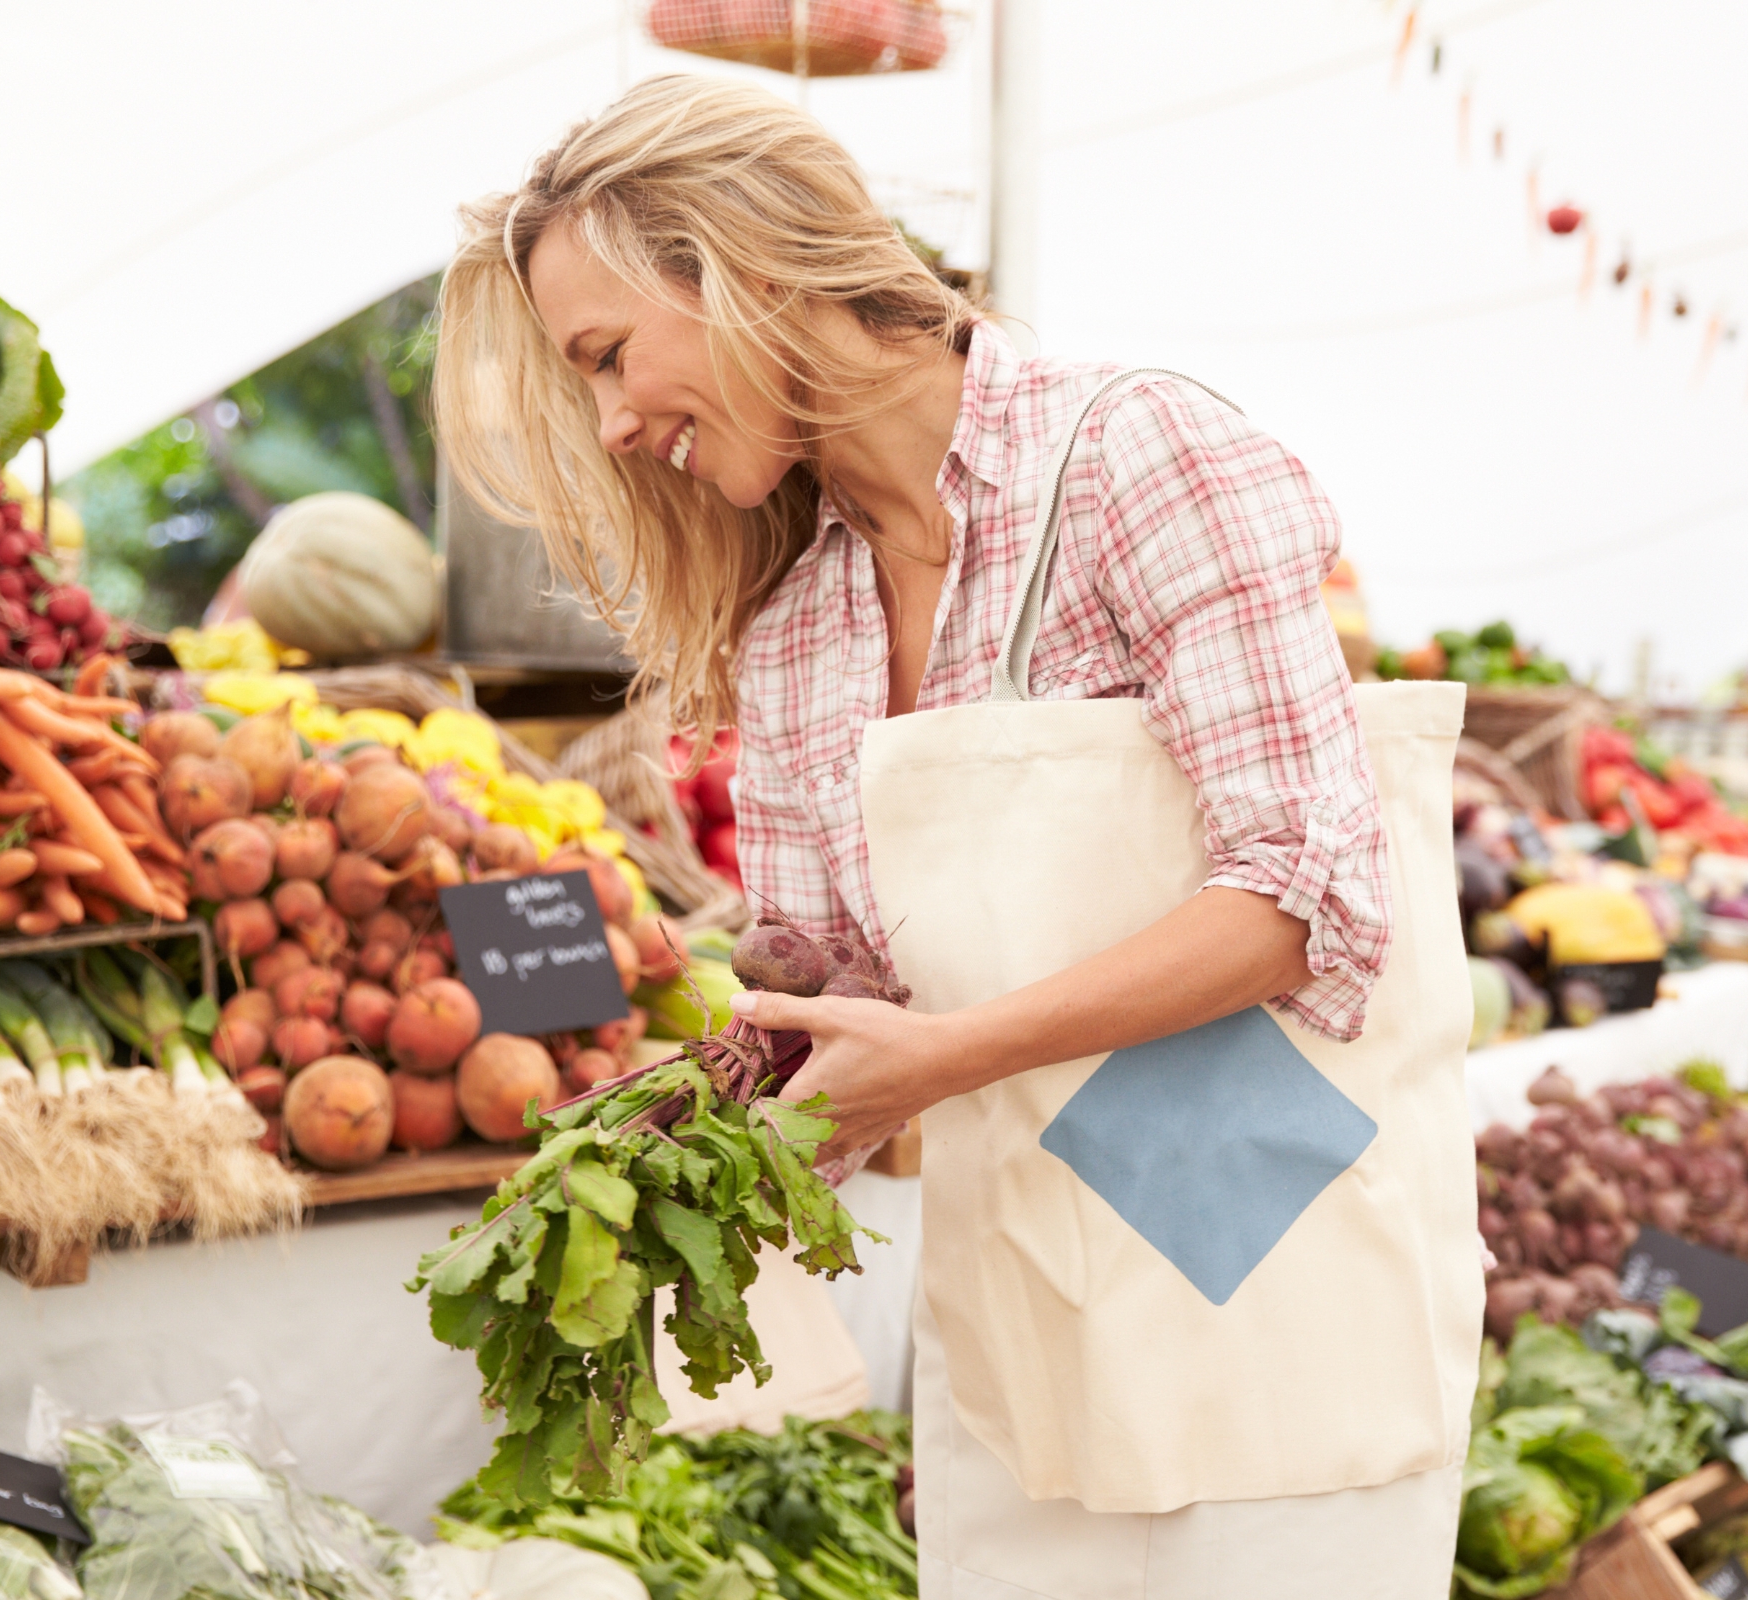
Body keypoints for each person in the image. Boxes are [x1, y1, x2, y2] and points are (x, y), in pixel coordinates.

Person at [433, 76, 1475, 1598]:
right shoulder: (795, 623)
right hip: (1030, 1293)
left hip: (1272, 1246)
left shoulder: (1139, 459)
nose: (611, 423)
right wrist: (699, 1104)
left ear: (749, 270)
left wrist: (946, 1056)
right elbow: (857, 994)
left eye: (608, 356)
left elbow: (1297, 908)